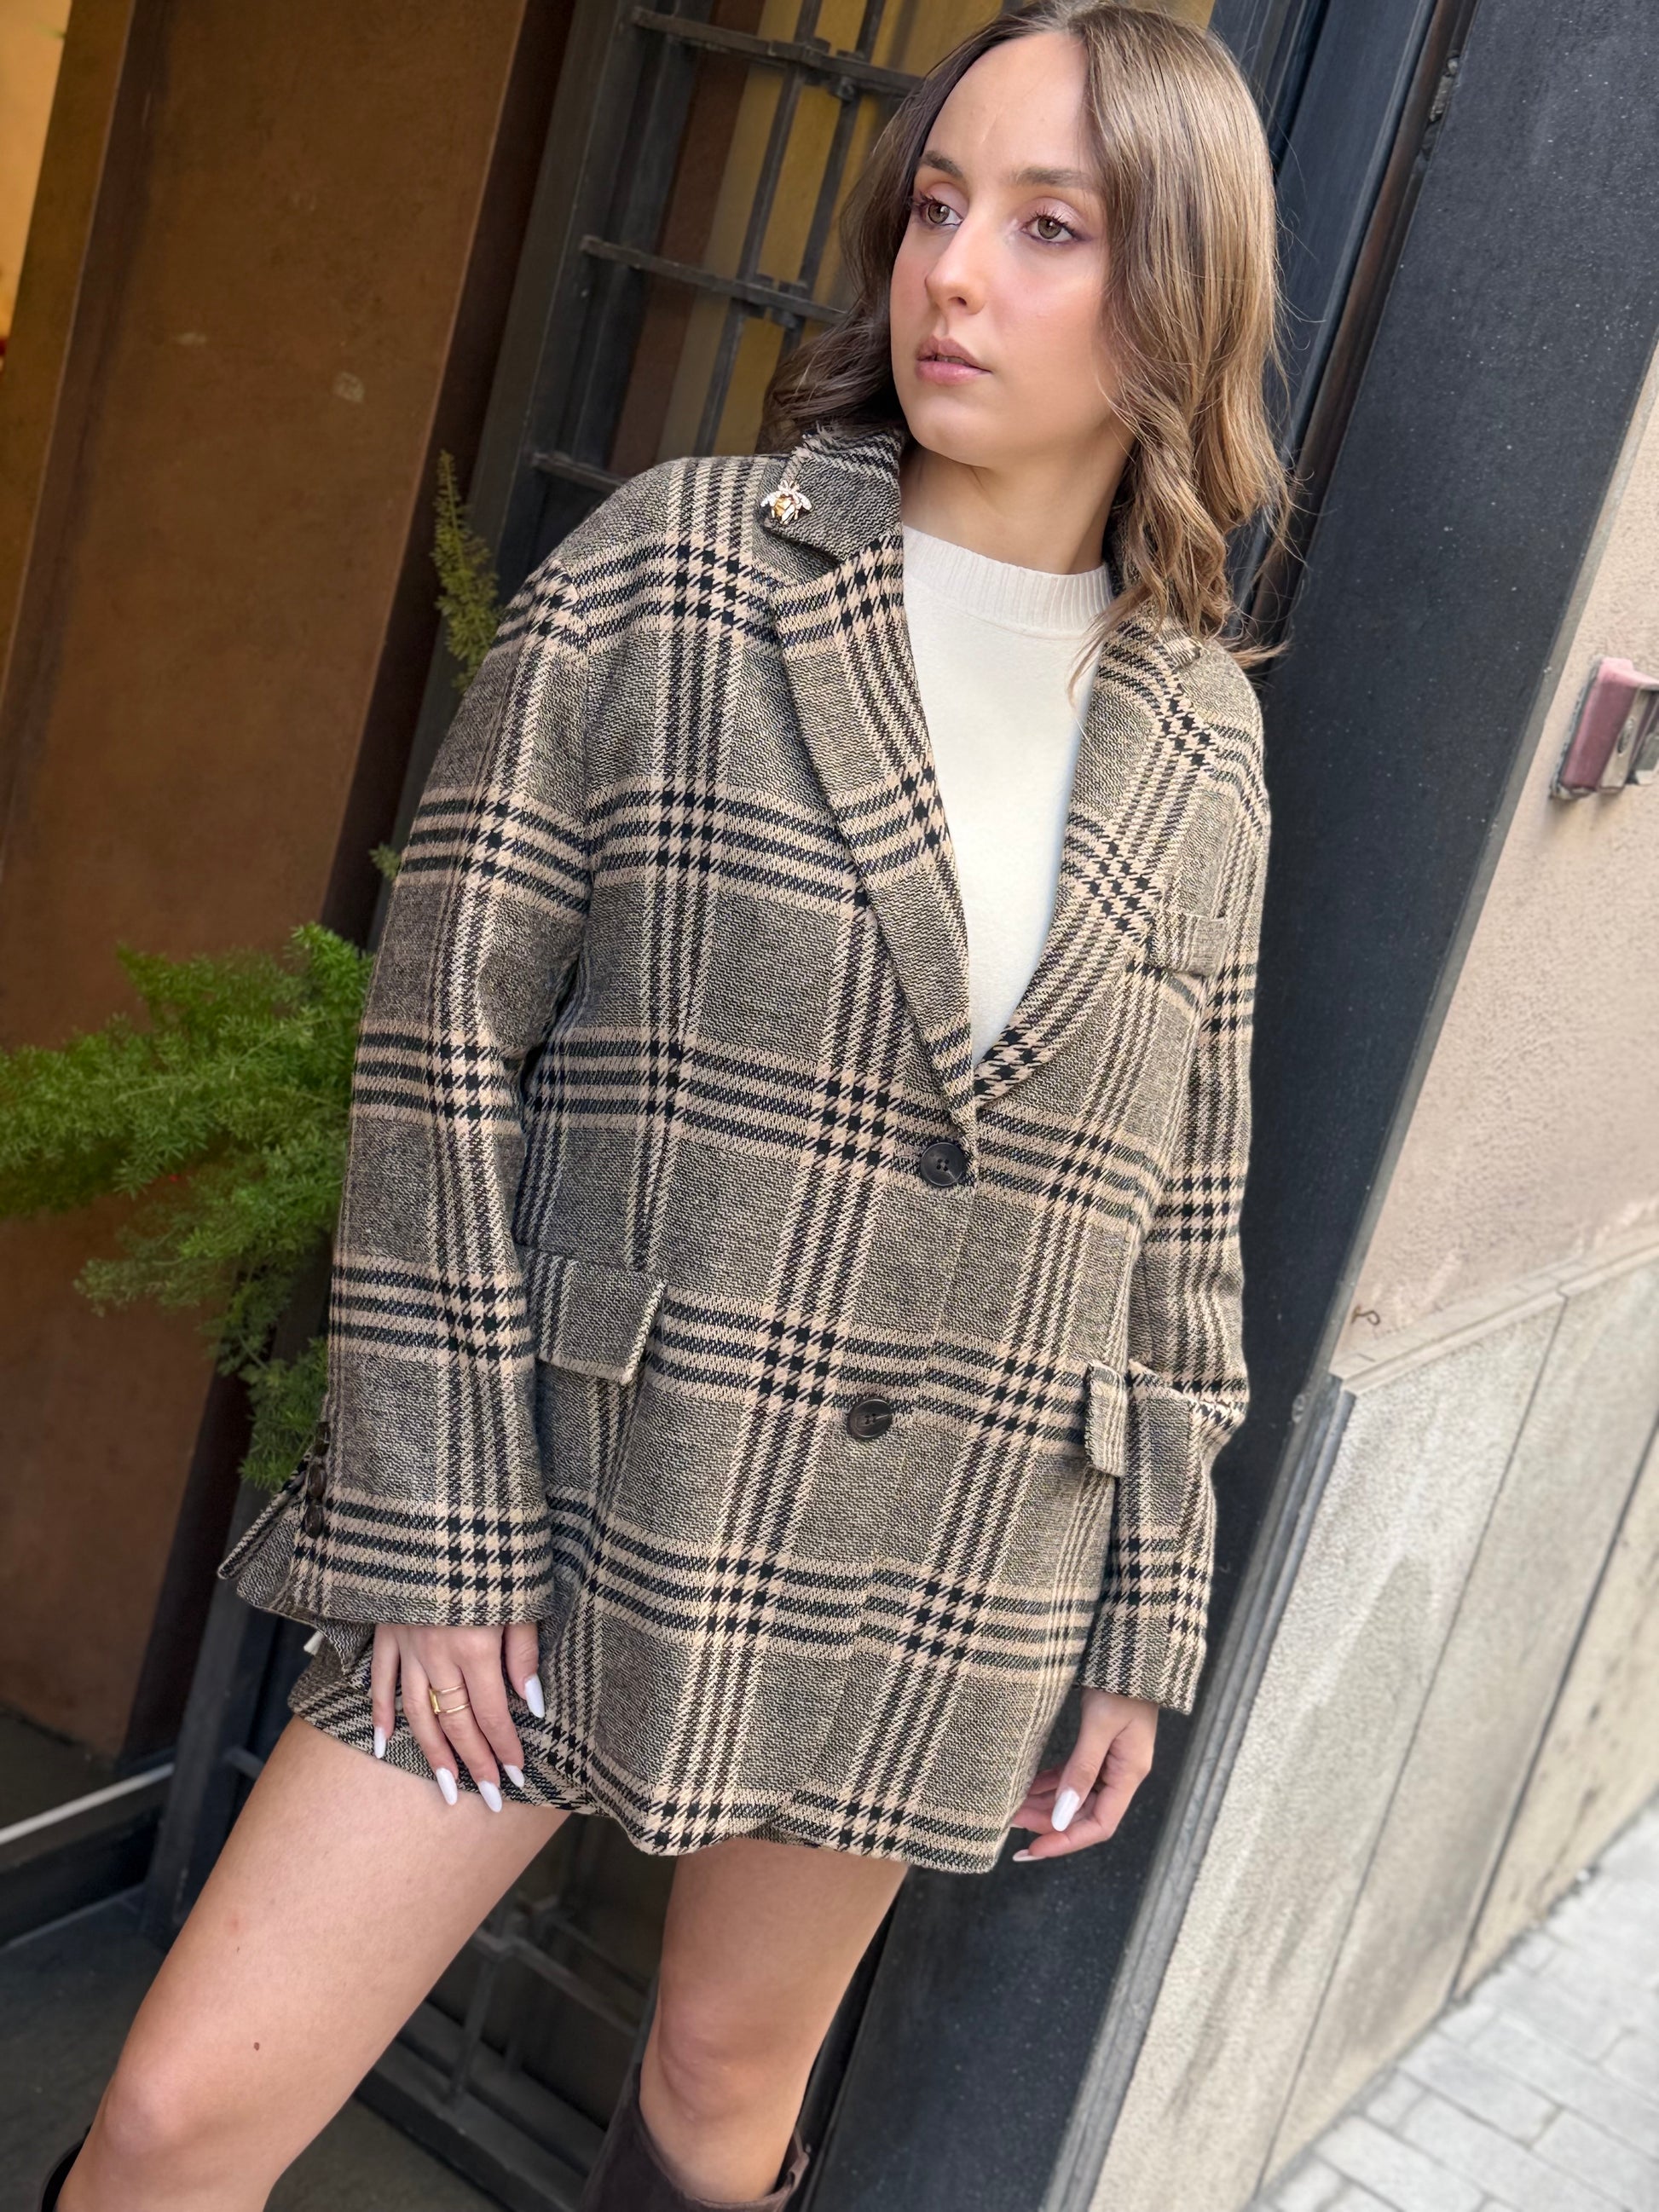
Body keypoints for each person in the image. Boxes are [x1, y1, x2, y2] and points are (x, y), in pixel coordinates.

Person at [47, 4, 1288, 2207]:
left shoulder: (1202, 734)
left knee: (726, 2095)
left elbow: (1183, 1218)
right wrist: (442, 1524)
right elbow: (441, 1049)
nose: (951, 272)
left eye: (1049, 226)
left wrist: (1144, 1606)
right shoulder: (678, 571)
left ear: (1178, 292)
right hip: (577, 1485)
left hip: (946, 1549)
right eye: (935, 205)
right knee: (178, 2116)